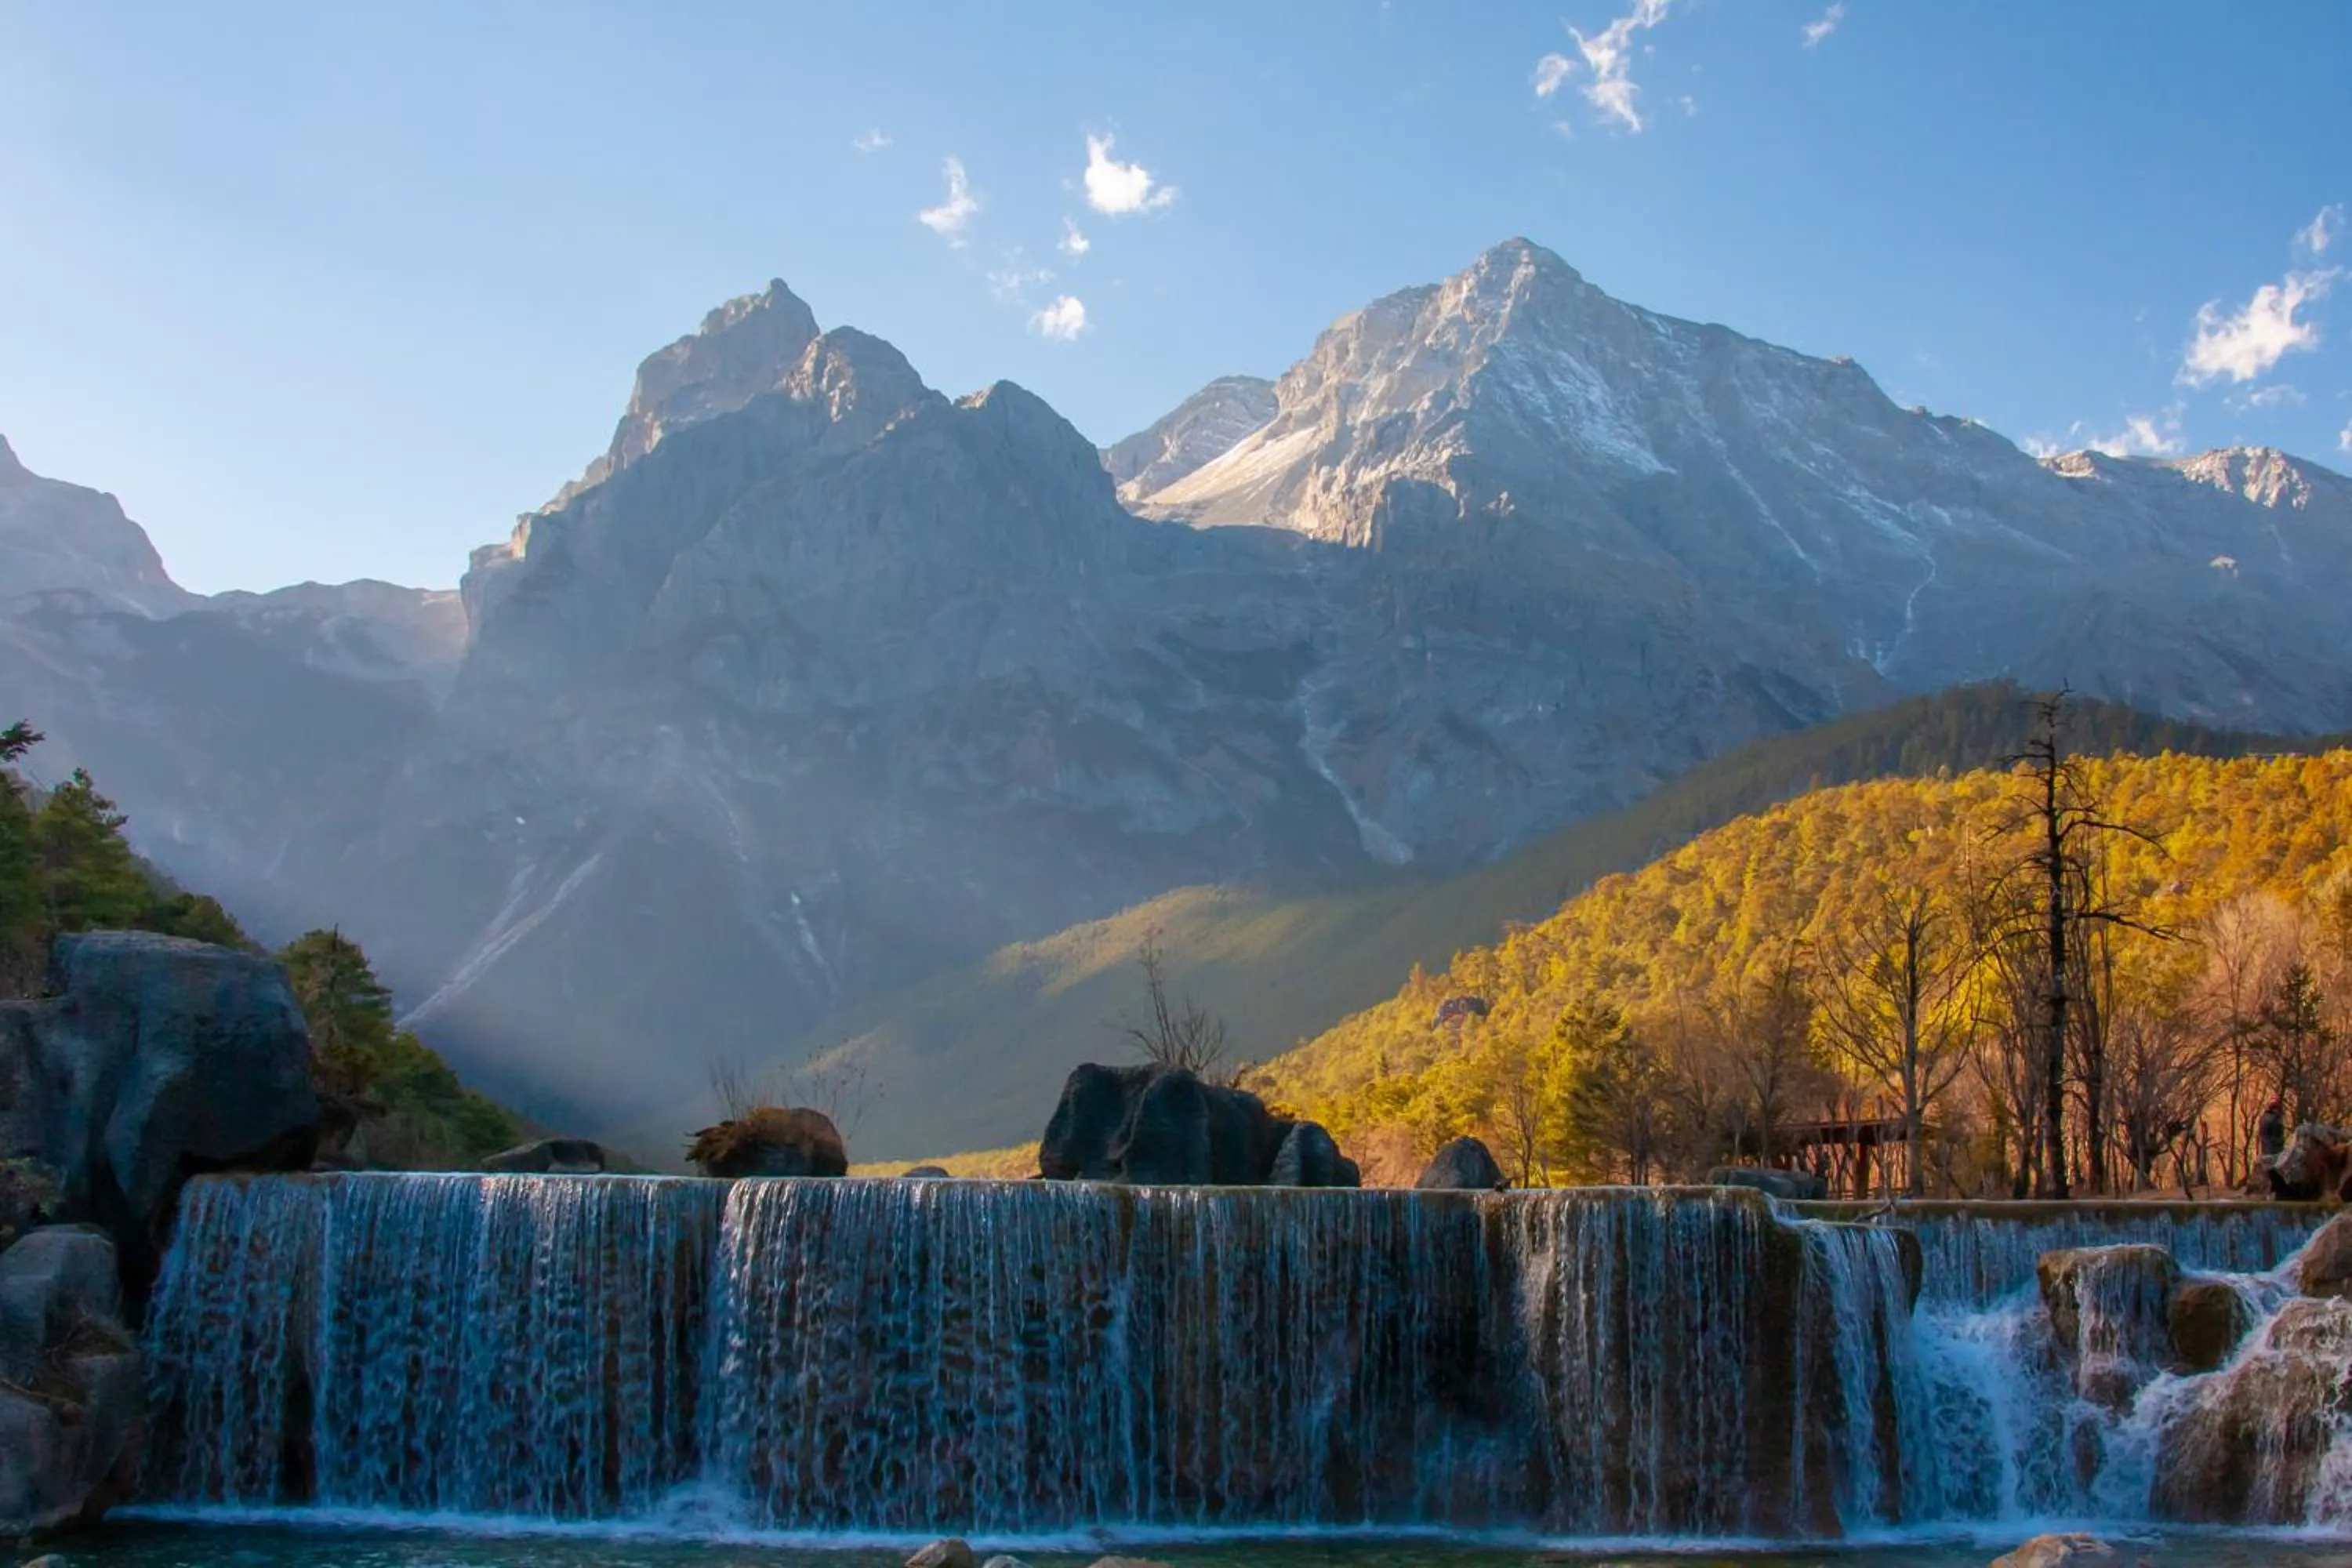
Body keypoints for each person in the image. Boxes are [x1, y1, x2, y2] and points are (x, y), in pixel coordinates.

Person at [2259, 1100, 2288, 1164]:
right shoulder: (2275, 1120)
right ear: (2276, 1110)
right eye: (2280, 1111)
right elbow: (2278, 1136)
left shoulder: (2263, 1118)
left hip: (2265, 1151)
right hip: (2275, 1153)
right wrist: (2282, 1141)